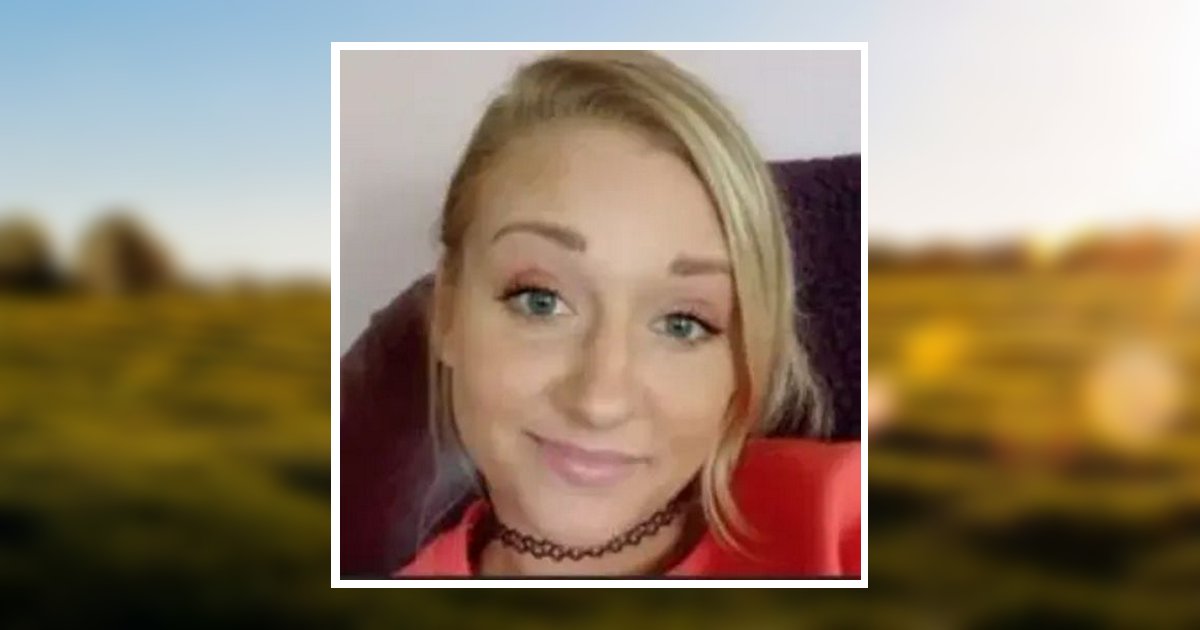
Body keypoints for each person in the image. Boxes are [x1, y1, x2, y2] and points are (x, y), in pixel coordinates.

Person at [397, 50, 860, 577]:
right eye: (540, 301)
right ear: (447, 311)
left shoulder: (845, 522)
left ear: (745, 367)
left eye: (682, 324)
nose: (600, 402)